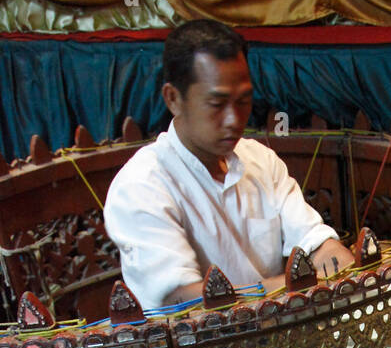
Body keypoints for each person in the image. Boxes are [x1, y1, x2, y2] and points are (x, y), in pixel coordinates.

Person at [104, 20, 354, 310]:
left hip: (278, 332)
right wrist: (298, 286)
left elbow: (317, 243)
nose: (234, 120)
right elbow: (182, 299)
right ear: (174, 99)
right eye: (217, 104)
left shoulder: (261, 161)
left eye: (243, 101)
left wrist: (335, 258)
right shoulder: (142, 185)